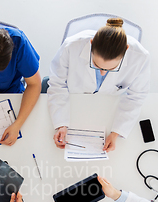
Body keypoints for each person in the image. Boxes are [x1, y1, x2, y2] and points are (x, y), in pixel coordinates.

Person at [48, 18, 150, 152]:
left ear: (126, 50)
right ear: (91, 44)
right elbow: (57, 85)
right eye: (96, 65)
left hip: (108, 109)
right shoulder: (71, 46)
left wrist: (116, 132)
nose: (102, 73)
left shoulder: (140, 57)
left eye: (111, 69)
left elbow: (136, 97)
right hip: (73, 103)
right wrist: (61, 123)